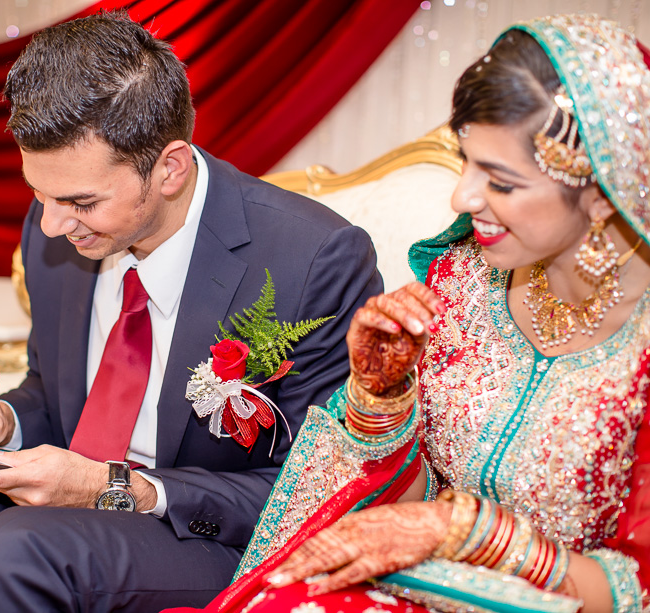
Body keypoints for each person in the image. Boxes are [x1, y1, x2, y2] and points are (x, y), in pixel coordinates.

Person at [0, 11, 382, 613]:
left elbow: (318, 489)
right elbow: (55, 392)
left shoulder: (311, 258)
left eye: (80, 201)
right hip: (64, 507)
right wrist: (4, 420)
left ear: (168, 168)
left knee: (15, 549)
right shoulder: (57, 235)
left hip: (203, 534)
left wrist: (114, 489)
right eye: (38, 194)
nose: (51, 225)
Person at [165, 13, 650, 613]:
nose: (462, 197)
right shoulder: (462, 280)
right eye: (466, 161)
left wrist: (467, 533)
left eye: (500, 180)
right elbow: (393, 504)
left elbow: (636, 587)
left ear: (602, 192)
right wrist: (381, 397)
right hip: (413, 586)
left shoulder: (641, 352)